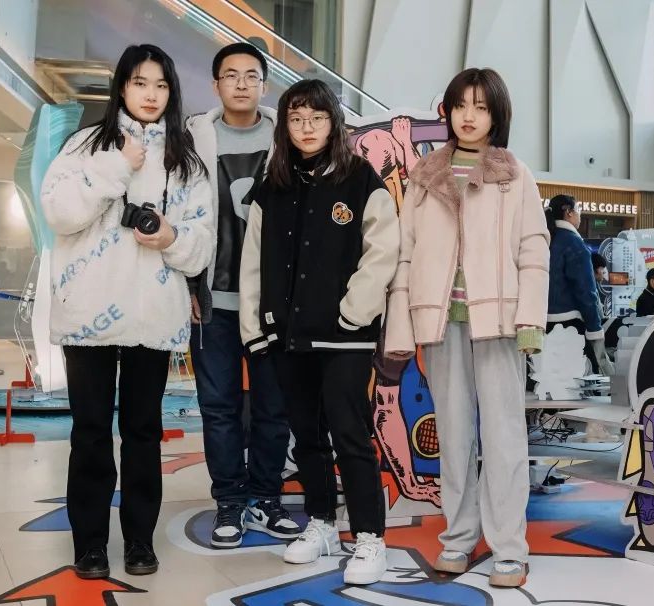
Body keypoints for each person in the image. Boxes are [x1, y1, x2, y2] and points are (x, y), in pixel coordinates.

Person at [41, 44, 214, 580]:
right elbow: (59, 213)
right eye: (140, 83)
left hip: (152, 319)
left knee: (143, 433)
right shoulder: (84, 146)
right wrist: (118, 165)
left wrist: (170, 238)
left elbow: (202, 246)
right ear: (121, 87)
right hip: (87, 317)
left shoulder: (185, 161)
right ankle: (90, 544)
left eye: (161, 85)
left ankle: (140, 540)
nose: (151, 94)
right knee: (90, 432)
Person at [385, 67, 550, 588]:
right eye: (460, 106)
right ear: (449, 112)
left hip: (498, 323)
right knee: (453, 438)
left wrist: (529, 320)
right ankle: (457, 538)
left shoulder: (514, 174)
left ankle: (509, 548)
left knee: (504, 437)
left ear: (496, 113)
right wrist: (400, 327)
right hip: (440, 324)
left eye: (480, 106)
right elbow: (405, 254)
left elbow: (533, 249)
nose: (469, 116)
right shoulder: (424, 175)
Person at [238, 79, 399, 585]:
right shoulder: (273, 185)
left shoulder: (360, 179)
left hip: (345, 337)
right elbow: (253, 260)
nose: (306, 128)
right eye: (296, 119)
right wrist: (255, 326)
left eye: (317, 117)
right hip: (289, 337)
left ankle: (370, 537)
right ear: (285, 126)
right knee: (306, 437)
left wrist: (354, 313)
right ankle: (322, 523)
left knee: (350, 435)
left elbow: (383, 251)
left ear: (334, 122)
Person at [186, 42, 294, 548]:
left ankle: (267, 497)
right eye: (231, 75)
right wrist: (190, 284)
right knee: (218, 407)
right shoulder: (193, 139)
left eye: (252, 75)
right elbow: (182, 216)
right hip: (211, 300)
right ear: (216, 85)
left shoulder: (288, 137)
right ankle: (229, 500)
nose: (242, 84)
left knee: (275, 407)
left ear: (264, 84)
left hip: (272, 302)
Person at [545, 194, 614, 376]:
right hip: (571, 326)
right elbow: (586, 291)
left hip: (544, 324)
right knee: (580, 381)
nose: (580, 216)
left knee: (550, 379)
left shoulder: (546, 240)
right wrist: (595, 328)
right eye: (578, 211)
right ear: (569, 212)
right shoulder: (574, 243)